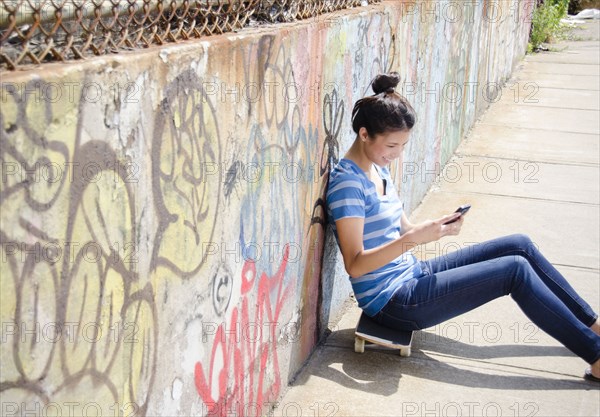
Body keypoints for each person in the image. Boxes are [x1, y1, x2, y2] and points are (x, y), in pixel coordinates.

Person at [325, 72, 600, 382]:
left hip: (413, 274)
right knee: (514, 271)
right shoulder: (348, 184)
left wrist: (434, 228)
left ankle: (592, 325)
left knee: (518, 244)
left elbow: (403, 228)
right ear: (364, 134)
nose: (397, 153)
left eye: (402, 145)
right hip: (393, 300)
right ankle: (596, 354)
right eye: (392, 145)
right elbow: (356, 265)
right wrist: (415, 240)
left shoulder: (377, 167)